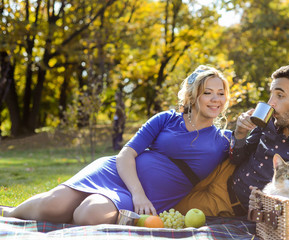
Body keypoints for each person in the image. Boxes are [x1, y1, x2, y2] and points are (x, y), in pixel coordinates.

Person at [0, 65, 232, 225]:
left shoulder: (224, 139)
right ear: (193, 97)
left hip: (141, 199)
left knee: (89, 215)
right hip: (117, 175)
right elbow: (125, 155)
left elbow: (254, 142)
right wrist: (138, 194)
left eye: (221, 94)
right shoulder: (166, 118)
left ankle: (66, 217)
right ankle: (9, 212)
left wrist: (247, 126)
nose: (216, 99)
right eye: (208, 92)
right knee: (52, 206)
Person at [175, 64, 289, 217]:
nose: (270, 103)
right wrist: (240, 133)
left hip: (227, 203)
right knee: (162, 183)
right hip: (221, 172)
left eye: (279, 95)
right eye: (271, 94)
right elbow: (237, 157)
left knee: (166, 211)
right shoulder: (272, 120)